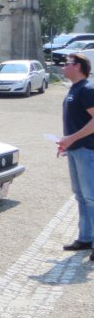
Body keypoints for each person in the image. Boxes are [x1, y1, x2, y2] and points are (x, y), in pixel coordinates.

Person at [57, 53, 94, 259]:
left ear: (78, 66)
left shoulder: (87, 89)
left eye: (67, 64)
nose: (63, 68)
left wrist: (72, 138)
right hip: (74, 150)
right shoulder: (74, 89)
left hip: (87, 150)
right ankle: (86, 237)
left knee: (91, 197)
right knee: (81, 196)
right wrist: (66, 142)